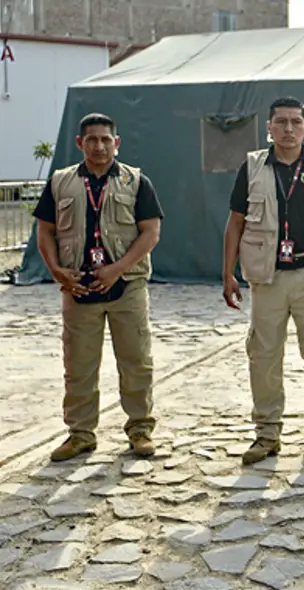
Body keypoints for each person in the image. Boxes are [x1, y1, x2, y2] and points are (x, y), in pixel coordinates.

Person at [222, 97, 304, 466]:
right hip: (268, 277)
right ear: (269, 128)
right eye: (281, 122)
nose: (289, 129)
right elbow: (236, 222)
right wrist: (228, 272)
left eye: (296, 122)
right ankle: (266, 434)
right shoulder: (252, 167)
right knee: (263, 357)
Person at [33, 113, 164, 462]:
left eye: (106, 139)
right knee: (78, 365)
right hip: (78, 288)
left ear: (116, 143)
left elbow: (150, 232)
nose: (99, 146)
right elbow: (44, 230)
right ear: (80, 143)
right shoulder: (61, 182)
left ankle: (140, 429)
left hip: (127, 287)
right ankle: (80, 434)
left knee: (136, 361)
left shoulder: (136, 182)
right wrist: (56, 270)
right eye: (92, 139)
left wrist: (118, 269)